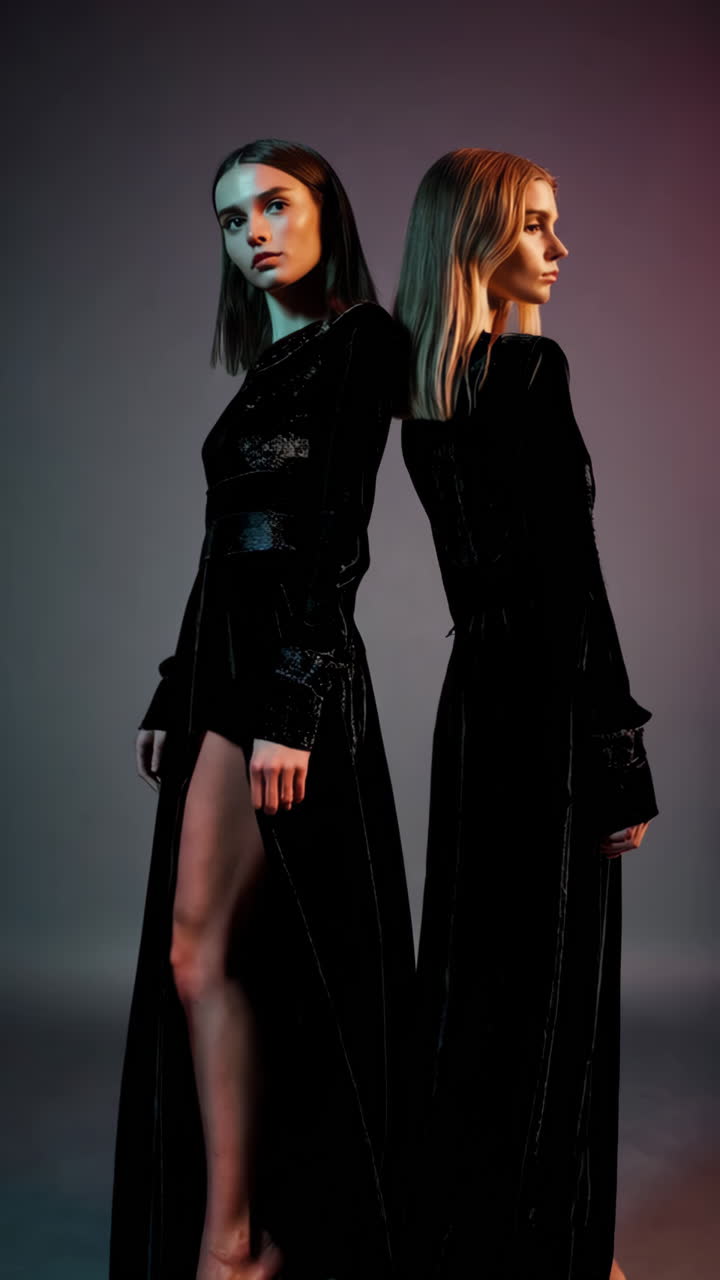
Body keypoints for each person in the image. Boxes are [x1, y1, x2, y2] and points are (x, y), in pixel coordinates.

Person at [110, 138, 415, 1280]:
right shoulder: (261, 374)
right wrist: (170, 680)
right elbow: (219, 550)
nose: (254, 235)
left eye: (275, 206)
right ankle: (236, 1231)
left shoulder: (364, 346)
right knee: (212, 954)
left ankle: (235, 1239)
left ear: (327, 207)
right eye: (233, 221)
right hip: (221, 674)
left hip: (292, 675)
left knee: (214, 951)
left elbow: (334, 536)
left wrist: (292, 701)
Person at [393, 149, 658, 1280]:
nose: (560, 248)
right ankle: (551, 1247)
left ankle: (465, 1236)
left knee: (477, 974)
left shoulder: (423, 394)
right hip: (548, 712)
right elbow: (570, 579)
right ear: (479, 240)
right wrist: (617, 747)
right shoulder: (534, 369)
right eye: (539, 226)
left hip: (474, 708)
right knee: (555, 978)